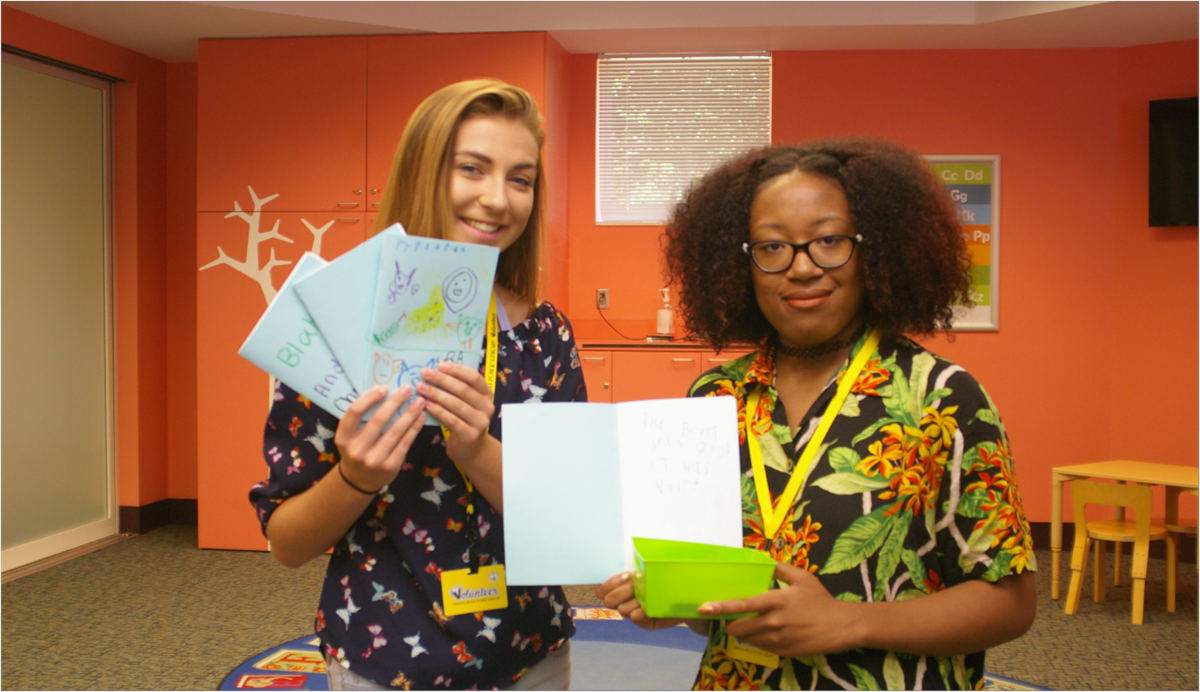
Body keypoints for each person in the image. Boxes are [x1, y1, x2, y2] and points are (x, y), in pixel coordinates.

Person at [597, 138, 1037, 690]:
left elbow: (1011, 602)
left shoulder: (942, 397)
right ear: (743, 264)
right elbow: (717, 585)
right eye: (773, 247)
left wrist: (850, 622)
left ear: (873, 250)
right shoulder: (714, 400)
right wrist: (678, 605)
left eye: (829, 241)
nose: (802, 267)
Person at [251, 79, 586, 691]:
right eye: (471, 169)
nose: (497, 199)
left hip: (530, 655)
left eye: (521, 178)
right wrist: (358, 477)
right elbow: (286, 543)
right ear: (423, 171)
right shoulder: (336, 323)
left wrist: (476, 450)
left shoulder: (544, 334)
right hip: (385, 659)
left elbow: (570, 523)